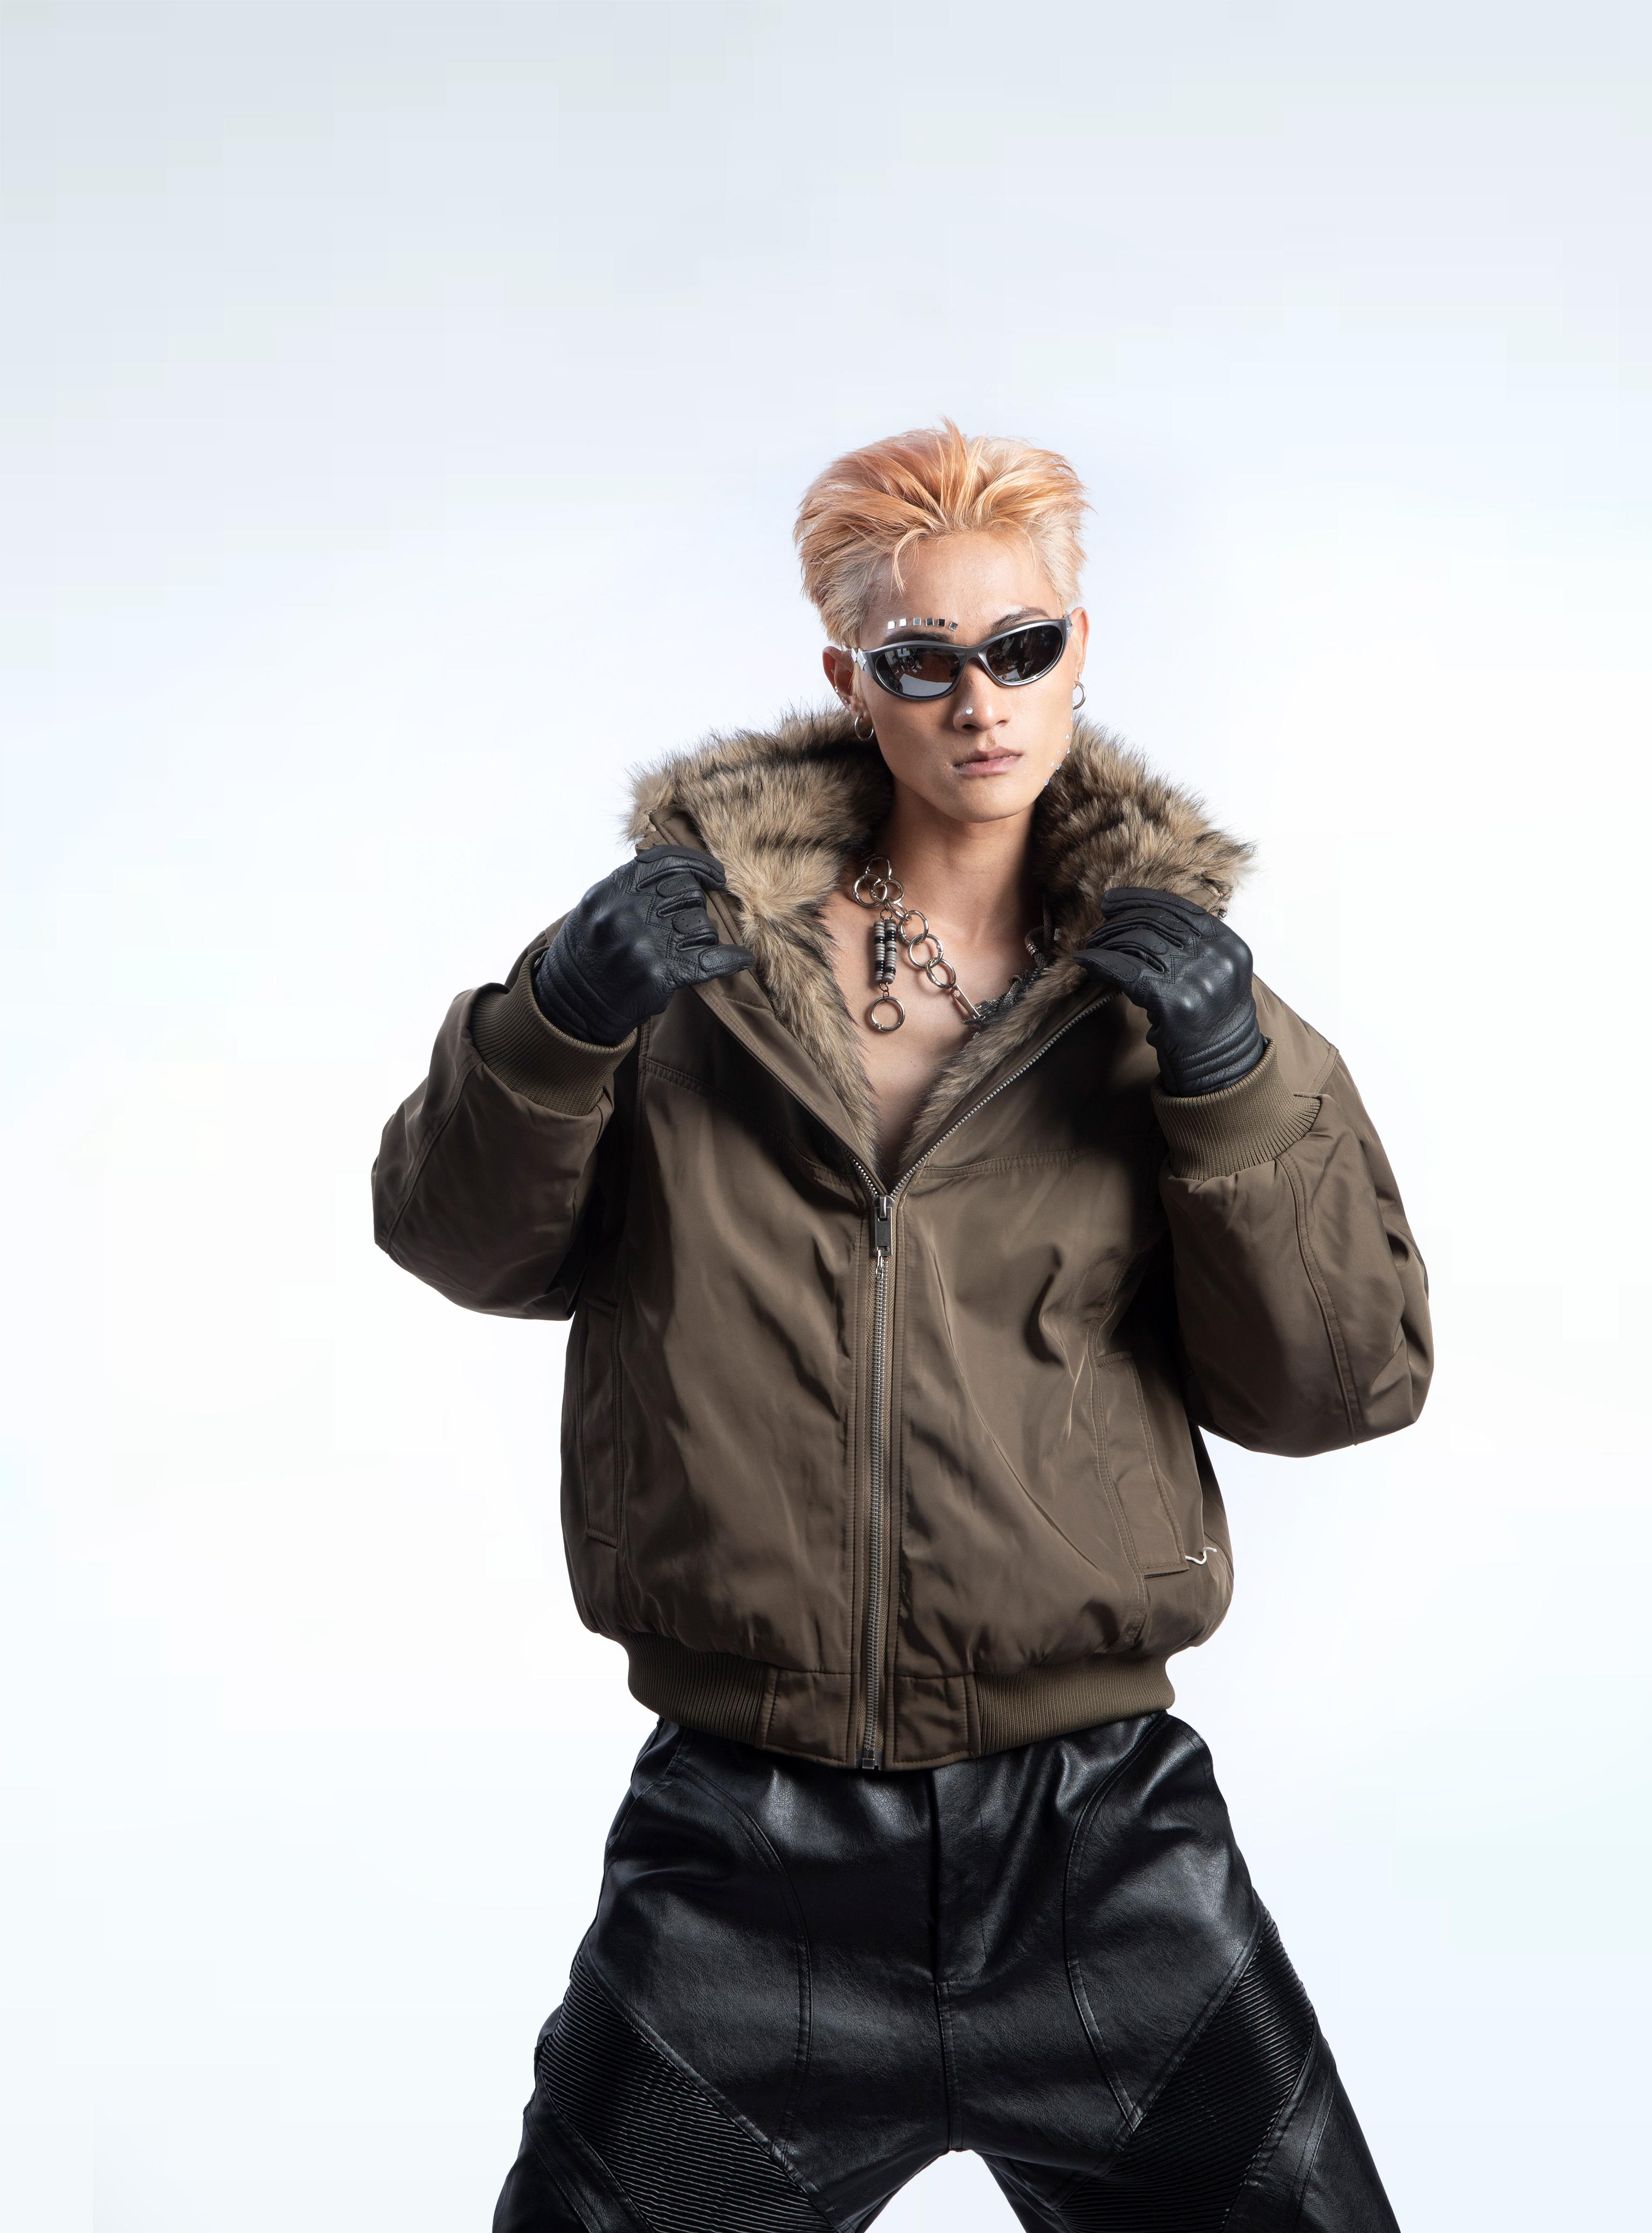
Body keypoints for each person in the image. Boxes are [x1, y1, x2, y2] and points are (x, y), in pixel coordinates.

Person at [372, 422, 1431, 2231]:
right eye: (923, 660)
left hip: (1102, 1854)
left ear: (1081, 649)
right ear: (848, 680)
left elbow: (1341, 1386)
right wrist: (555, 1020)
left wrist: (1232, 1089)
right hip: (742, 1858)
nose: (981, 700)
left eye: (1022, 646)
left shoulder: (1174, 1012)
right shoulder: (683, 981)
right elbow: (458, 1240)